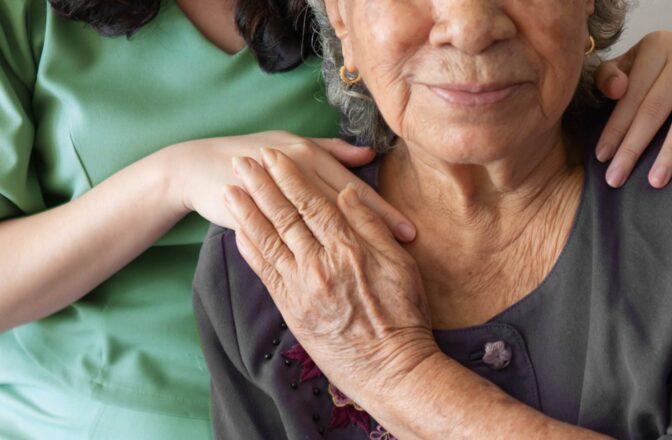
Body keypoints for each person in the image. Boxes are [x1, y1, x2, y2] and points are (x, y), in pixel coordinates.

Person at [0, 0, 668, 438]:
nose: (467, 25)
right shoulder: (242, 270)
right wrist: (168, 179)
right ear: (341, 25)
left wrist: (393, 371)